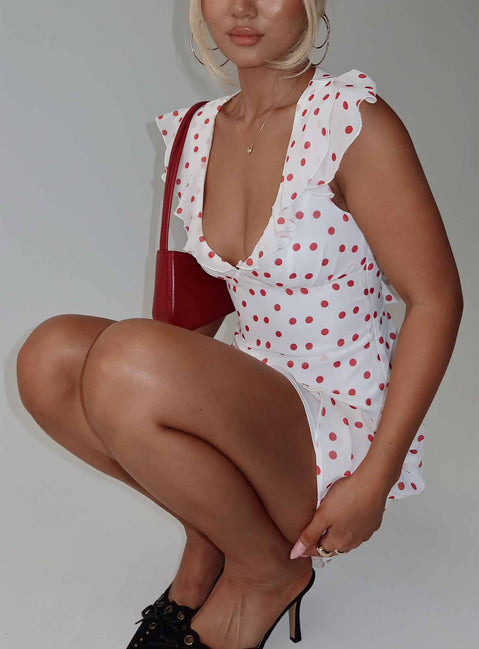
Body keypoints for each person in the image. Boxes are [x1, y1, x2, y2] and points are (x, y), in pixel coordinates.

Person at [16, 2, 463, 648]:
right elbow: (193, 319)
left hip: (336, 432)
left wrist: (376, 477)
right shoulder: (196, 131)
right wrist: (153, 412)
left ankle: (263, 574)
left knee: (123, 359)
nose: (242, 7)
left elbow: (437, 301)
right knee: (49, 358)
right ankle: (219, 544)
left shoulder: (350, 121)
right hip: (251, 405)